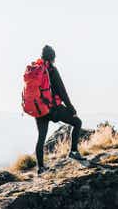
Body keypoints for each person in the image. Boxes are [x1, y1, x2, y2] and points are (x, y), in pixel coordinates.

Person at [35, 45, 84, 174]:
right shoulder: (52, 70)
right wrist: (71, 108)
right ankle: (73, 152)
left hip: (39, 109)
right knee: (77, 123)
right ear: (52, 58)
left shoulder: (36, 71)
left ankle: (40, 168)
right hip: (54, 109)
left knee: (41, 137)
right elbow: (62, 92)